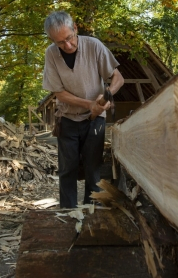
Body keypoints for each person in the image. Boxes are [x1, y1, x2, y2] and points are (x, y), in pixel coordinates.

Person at [42, 11, 124, 208]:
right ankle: (68, 214)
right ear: (52, 40)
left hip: (95, 120)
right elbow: (59, 93)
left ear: (75, 28)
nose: (67, 46)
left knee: (93, 169)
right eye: (60, 42)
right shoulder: (51, 54)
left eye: (69, 38)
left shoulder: (93, 46)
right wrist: (88, 104)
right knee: (67, 169)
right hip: (67, 118)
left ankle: (91, 212)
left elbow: (118, 78)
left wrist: (107, 94)